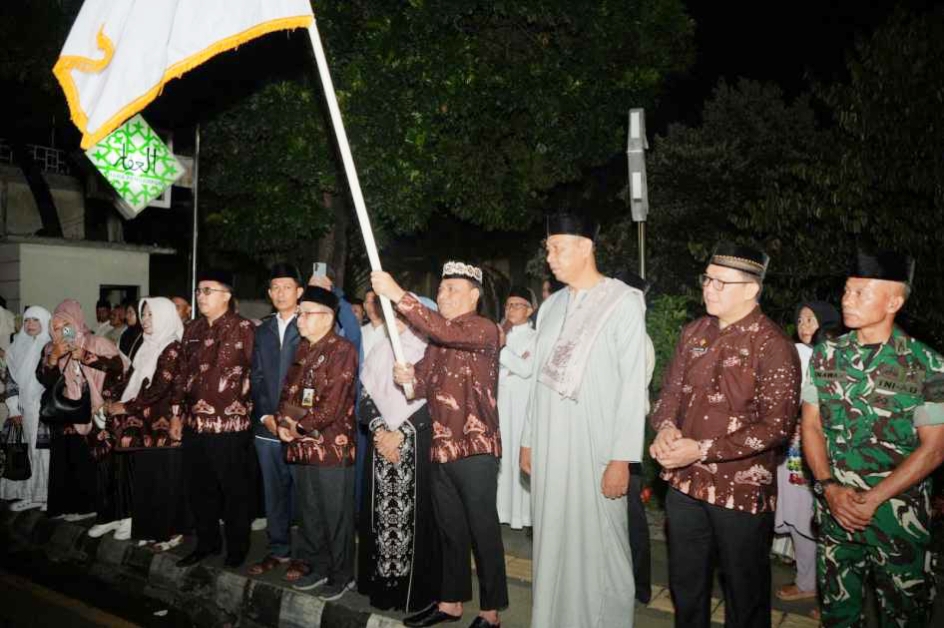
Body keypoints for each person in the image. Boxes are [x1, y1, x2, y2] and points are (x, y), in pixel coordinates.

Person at [649, 242, 800, 628]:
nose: (709, 288)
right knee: (686, 587)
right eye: (707, 279)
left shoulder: (773, 345)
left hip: (741, 493)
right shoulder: (693, 332)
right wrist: (665, 428)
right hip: (685, 485)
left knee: (744, 596)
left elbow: (777, 426)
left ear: (752, 289)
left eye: (721, 282)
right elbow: (668, 395)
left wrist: (700, 449)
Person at [801, 250, 944, 627]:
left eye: (861, 292)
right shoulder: (826, 354)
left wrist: (872, 499)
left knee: (904, 617)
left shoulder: (928, 365)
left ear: (894, 302)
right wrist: (829, 487)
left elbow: (935, 449)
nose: (847, 300)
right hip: (836, 512)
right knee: (838, 615)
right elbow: (811, 426)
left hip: (897, 519)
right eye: (847, 291)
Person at [519, 213, 647, 628]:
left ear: (586, 247)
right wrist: (528, 439)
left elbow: (632, 387)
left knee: (602, 546)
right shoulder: (551, 306)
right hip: (550, 445)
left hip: (596, 446)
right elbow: (538, 379)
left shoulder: (623, 302)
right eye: (548, 249)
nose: (550, 257)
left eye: (558, 248)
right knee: (552, 540)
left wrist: (621, 458)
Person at [372, 261, 508, 628]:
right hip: (441, 447)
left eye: (452, 289)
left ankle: (491, 612)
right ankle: (450, 602)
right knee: (450, 529)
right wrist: (406, 377)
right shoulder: (438, 341)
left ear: (474, 296)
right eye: (441, 289)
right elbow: (420, 385)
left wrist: (397, 294)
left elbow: (444, 330)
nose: (442, 295)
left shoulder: (483, 329)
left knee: (482, 530)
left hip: (476, 447)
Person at [357, 297, 441, 612]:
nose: (400, 319)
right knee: (380, 519)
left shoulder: (432, 351)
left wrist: (400, 433)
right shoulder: (381, 349)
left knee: (414, 519)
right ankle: (383, 589)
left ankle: (410, 592)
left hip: (416, 446)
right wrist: (381, 432)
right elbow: (365, 397)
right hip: (380, 448)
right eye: (396, 313)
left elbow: (436, 402)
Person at [276, 285, 358, 601]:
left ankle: (342, 575)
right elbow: (289, 390)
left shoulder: (342, 350)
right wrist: (283, 423)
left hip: (331, 448)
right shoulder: (302, 348)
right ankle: (317, 567)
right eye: (299, 314)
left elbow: (332, 404)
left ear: (326, 317)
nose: (299, 320)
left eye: (305, 314)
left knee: (335, 516)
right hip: (302, 445)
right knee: (309, 513)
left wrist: (298, 427)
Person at [174, 269, 256, 568]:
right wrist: (176, 414)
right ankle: (206, 543)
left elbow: (256, 373)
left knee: (234, 491)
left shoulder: (243, 328)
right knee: (199, 489)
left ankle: (237, 548)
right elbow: (182, 373)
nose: (200, 296)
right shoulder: (192, 329)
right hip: (194, 424)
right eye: (199, 291)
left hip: (230, 426)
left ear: (226, 295)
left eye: (208, 290)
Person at [105, 298, 189, 550]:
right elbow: (131, 379)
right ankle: (152, 529)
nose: (145, 319)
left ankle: (171, 532)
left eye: (151, 314)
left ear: (165, 316)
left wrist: (126, 407)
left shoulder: (172, 347)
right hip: (143, 423)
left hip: (164, 423)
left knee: (166, 479)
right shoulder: (146, 345)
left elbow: (160, 387)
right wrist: (112, 398)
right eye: (144, 314)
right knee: (147, 478)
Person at [773, 300, 839, 611]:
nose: (803, 326)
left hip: (818, 454)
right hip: (790, 449)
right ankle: (807, 581)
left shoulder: (836, 359)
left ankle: (819, 587)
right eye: (800, 320)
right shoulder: (793, 353)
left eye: (811, 319)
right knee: (797, 514)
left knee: (811, 517)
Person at [40, 300, 127, 523]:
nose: (61, 332)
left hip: (93, 407)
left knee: (90, 458)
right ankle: (69, 505)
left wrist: (86, 356)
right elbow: (45, 380)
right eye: (56, 327)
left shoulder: (96, 342)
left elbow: (118, 368)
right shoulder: (50, 348)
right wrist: (53, 358)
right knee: (66, 457)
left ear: (76, 322)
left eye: (66, 325)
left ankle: (91, 507)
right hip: (65, 411)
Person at [247, 263, 304, 579]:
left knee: (305, 494)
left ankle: (305, 554)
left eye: (287, 287)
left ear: (299, 291)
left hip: (299, 427)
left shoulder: (311, 324)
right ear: (269, 293)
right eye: (276, 288)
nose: (281, 293)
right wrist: (267, 415)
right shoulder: (262, 330)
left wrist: (291, 419)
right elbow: (255, 376)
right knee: (274, 492)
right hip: (267, 427)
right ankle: (278, 549)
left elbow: (313, 379)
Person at [1, 306, 52, 511]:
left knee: (44, 453)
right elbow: (11, 379)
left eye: (36, 320)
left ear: (45, 322)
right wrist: (14, 408)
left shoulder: (51, 346)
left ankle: (45, 496)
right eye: (27, 320)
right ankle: (31, 495)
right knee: (29, 452)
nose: (30, 325)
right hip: (23, 409)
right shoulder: (17, 347)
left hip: (44, 408)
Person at [496, 286, 536, 531]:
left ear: (529, 310)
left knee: (517, 455)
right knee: (501, 456)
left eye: (517, 305)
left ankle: (523, 515)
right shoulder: (497, 332)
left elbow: (525, 368)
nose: (511, 309)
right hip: (499, 405)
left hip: (521, 407)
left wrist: (502, 350)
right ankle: (500, 511)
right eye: (508, 305)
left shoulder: (535, 337)